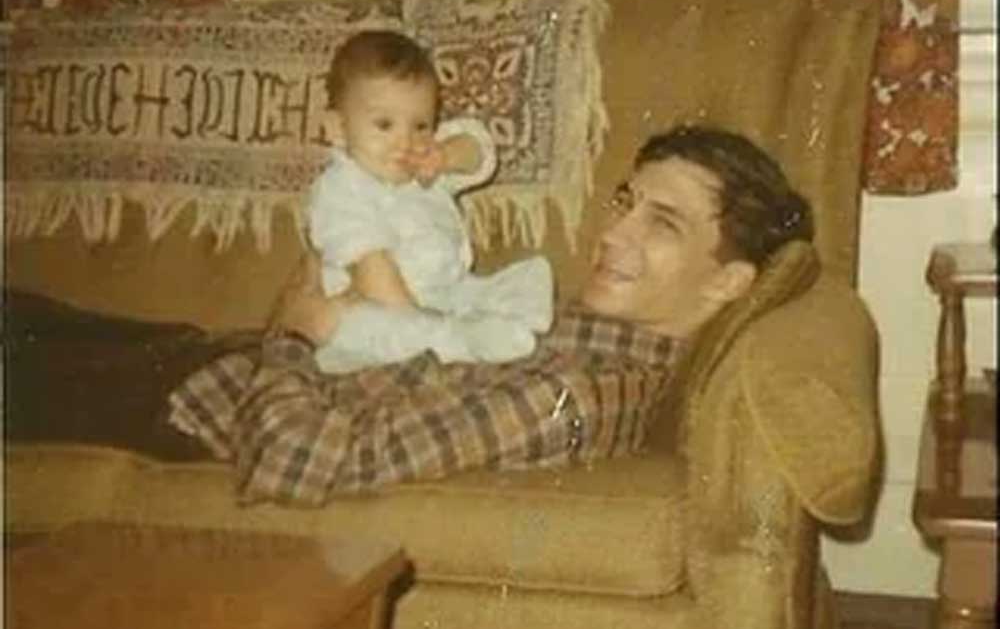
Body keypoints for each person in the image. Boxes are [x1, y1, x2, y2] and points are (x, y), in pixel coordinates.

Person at [167, 125, 814, 505]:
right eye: (625, 203)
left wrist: (291, 336)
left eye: (662, 223)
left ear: (728, 282)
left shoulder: (575, 393)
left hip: (189, 404)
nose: (613, 234)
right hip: (204, 352)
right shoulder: (567, 325)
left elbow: (296, 461)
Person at [304, 30, 553, 373]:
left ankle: (476, 335)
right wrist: (420, 321)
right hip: (380, 305)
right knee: (375, 328)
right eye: (384, 124)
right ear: (337, 128)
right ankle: (461, 343)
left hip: (447, 296)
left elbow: (481, 152)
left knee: (524, 282)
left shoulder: (424, 171)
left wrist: (445, 155)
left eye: (420, 125)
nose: (405, 140)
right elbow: (372, 270)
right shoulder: (342, 188)